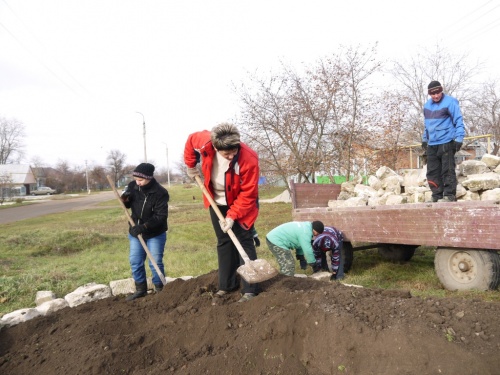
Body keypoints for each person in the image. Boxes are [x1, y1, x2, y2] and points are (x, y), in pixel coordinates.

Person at [184, 123, 260, 303]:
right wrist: (190, 165)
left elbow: (249, 193)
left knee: (244, 240)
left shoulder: (249, 158)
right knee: (224, 242)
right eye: (227, 153)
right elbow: (189, 141)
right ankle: (227, 285)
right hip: (216, 201)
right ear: (216, 147)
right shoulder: (204, 141)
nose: (232, 155)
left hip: (241, 202)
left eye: (234, 151)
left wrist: (232, 216)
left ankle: (250, 289)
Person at [121, 163, 169, 301]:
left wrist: (144, 227)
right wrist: (125, 199)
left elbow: (160, 216)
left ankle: (160, 289)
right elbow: (127, 204)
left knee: (155, 262)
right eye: (136, 179)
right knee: (135, 261)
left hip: (155, 233)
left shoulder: (160, 192)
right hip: (135, 232)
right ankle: (141, 289)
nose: (137, 182)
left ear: (149, 178)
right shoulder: (133, 186)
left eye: (140, 180)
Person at [422, 80, 465, 202]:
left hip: (446, 142)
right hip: (432, 144)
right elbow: (427, 125)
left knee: (448, 170)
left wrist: (459, 138)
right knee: (432, 171)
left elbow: (458, 121)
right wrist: (424, 139)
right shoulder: (426, 106)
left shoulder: (450, 102)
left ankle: (449, 195)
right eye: (432, 94)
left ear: (441, 90)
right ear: (429, 94)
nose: (436, 96)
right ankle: (436, 195)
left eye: (438, 93)